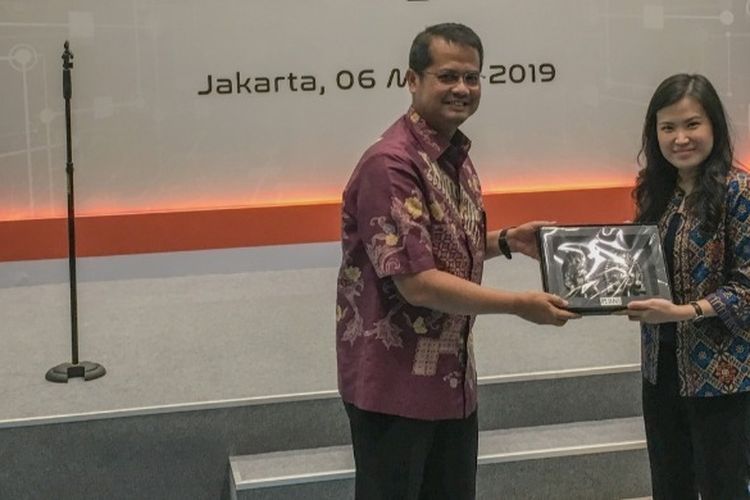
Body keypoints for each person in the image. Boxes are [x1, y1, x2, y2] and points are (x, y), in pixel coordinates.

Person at [335, 23, 578, 500]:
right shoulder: (391, 164)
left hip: (450, 380)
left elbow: (436, 246)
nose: (462, 89)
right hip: (395, 385)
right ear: (412, 80)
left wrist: (506, 241)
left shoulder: (454, 155)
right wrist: (518, 305)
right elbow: (417, 282)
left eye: (472, 77)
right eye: (447, 76)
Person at [624, 73, 750, 499]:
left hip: (724, 375)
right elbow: (634, 265)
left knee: (723, 486)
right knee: (669, 484)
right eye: (668, 127)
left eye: (692, 124)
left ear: (714, 125)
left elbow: (747, 287)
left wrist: (683, 312)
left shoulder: (739, 191)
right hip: (659, 368)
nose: (680, 138)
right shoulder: (653, 192)